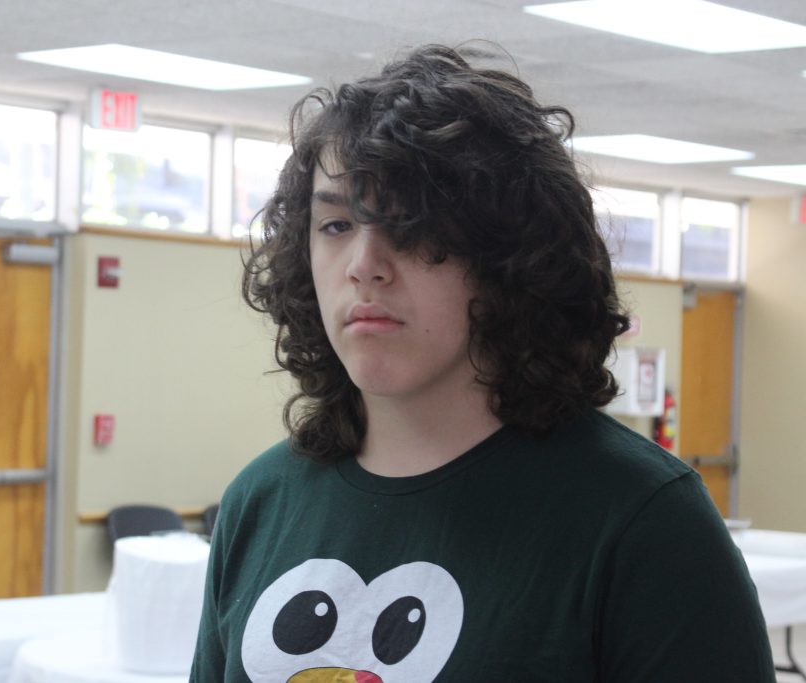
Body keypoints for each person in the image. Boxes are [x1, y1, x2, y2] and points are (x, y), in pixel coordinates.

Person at [191, 44, 774, 682]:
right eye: (335, 225)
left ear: (509, 256)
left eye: (411, 224)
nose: (363, 264)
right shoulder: (262, 500)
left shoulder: (642, 519)